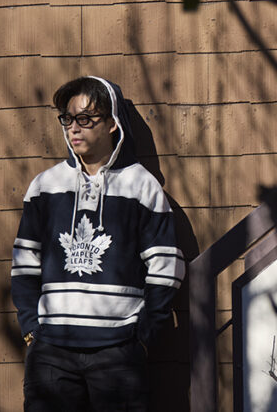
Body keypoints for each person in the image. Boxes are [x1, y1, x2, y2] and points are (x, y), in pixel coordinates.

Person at [11, 76, 185, 411]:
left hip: (118, 351)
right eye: (68, 119)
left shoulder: (142, 187)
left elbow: (165, 266)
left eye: (86, 118)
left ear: (112, 123)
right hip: (52, 351)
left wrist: (142, 336)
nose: (74, 128)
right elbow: (24, 262)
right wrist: (32, 330)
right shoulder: (45, 186)